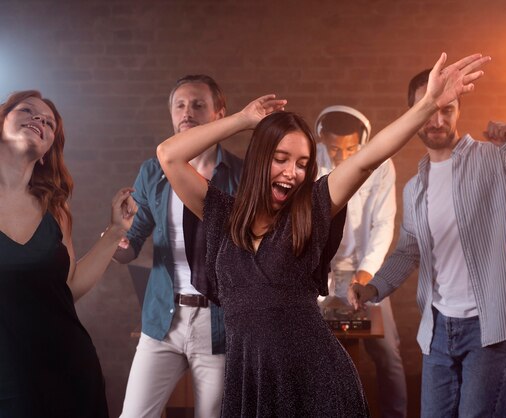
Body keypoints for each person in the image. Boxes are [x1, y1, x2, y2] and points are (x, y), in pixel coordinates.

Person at [156, 52, 488, 417]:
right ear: (258, 158)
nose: (292, 173)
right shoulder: (223, 214)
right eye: (281, 158)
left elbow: (366, 159)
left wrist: (427, 107)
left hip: (315, 381)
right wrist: (242, 119)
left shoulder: (308, 210)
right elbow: (169, 155)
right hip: (250, 381)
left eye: (302, 164)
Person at [349, 68, 506, 417]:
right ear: (412, 116)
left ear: (458, 110)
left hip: (491, 329)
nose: (437, 118)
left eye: (447, 108)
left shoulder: (494, 158)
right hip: (437, 330)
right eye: (428, 109)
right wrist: (372, 289)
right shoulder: (416, 187)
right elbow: (408, 251)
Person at [0, 90, 136, 417]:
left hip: (69, 369)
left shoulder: (55, 210)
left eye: (48, 122)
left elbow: (69, 288)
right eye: (28, 111)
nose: (39, 120)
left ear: (47, 151)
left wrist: (116, 230)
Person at [115, 75, 242, 418]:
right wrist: (116, 238)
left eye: (199, 104)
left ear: (220, 114)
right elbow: (131, 242)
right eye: (180, 105)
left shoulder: (242, 176)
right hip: (162, 320)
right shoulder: (153, 171)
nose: (188, 112)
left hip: (220, 326)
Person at [315, 105, 407, 418]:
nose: (342, 156)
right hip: (319, 272)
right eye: (334, 148)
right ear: (322, 139)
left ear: (363, 141)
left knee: (387, 352)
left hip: (365, 270)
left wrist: (364, 278)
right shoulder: (310, 161)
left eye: (351, 148)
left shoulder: (381, 164)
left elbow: (384, 224)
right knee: (316, 352)